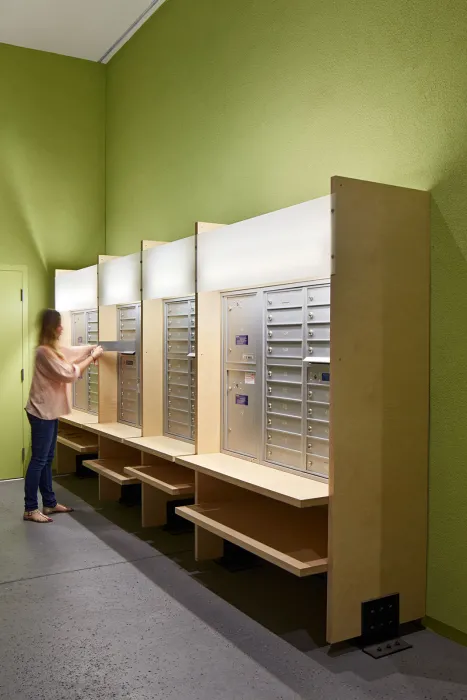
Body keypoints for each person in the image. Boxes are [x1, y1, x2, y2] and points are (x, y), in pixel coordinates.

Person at [24, 309, 104, 523]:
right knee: (39, 460)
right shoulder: (43, 352)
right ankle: (30, 508)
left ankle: (49, 504)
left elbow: (72, 352)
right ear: (51, 327)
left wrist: (92, 348)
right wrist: (93, 357)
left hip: (50, 412)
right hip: (41, 413)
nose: (62, 328)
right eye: (59, 325)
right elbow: (68, 373)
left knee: (47, 459)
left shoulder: (53, 349)